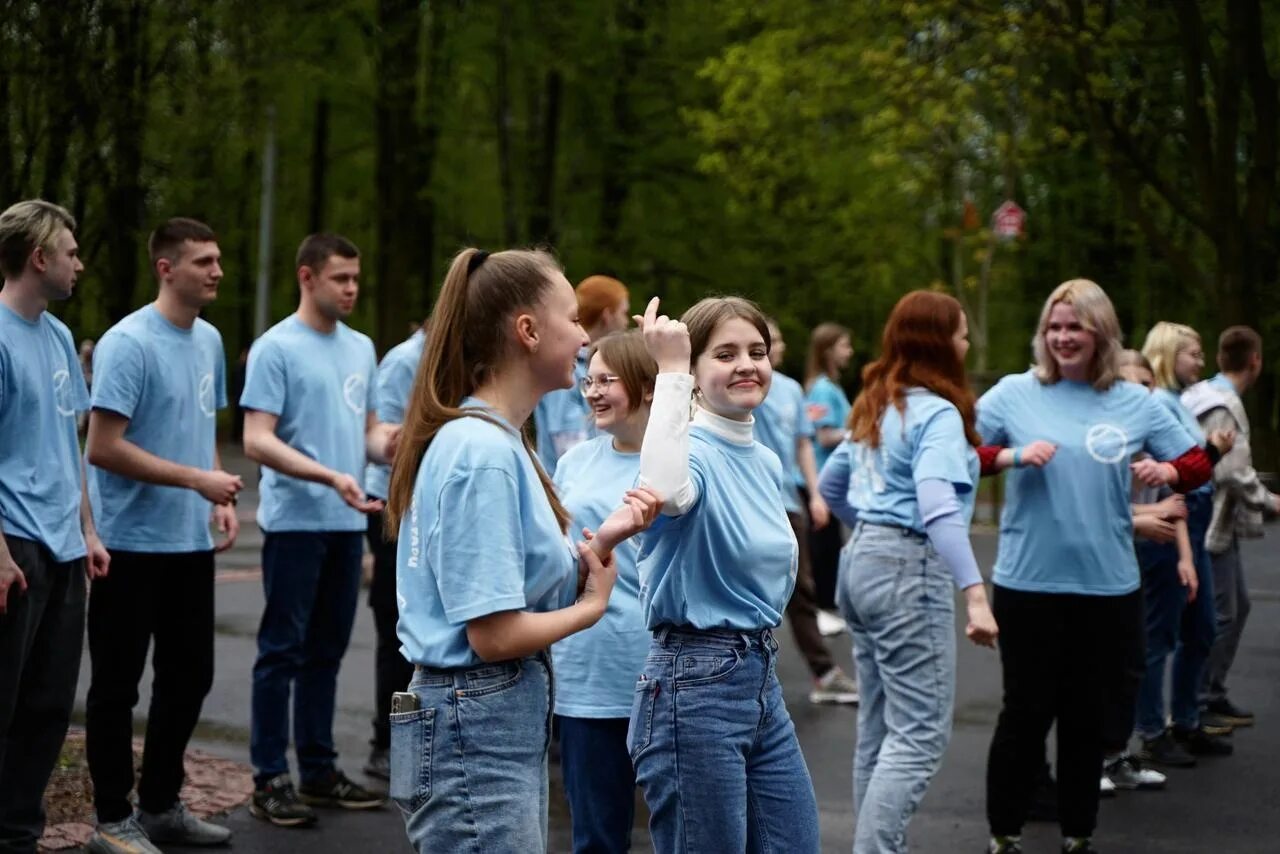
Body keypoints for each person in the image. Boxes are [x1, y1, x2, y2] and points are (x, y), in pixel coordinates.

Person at [383, 248, 659, 853]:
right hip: (475, 716)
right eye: (572, 318)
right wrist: (592, 606)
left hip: (485, 713)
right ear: (528, 332)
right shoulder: (481, 451)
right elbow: (493, 632)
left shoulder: (500, 442)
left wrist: (599, 547)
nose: (585, 337)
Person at [979, 279, 1213, 854]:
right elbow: (961, 455)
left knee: (1087, 718)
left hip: (1107, 586)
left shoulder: (1135, 401)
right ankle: (1003, 833)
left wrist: (1172, 475)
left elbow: (1198, 460)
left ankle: (1078, 833)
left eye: (1074, 327)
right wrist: (1008, 456)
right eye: (1053, 327)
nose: (1062, 337)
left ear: (1100, 333)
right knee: (1025, 713)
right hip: (1028, 583)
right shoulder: (1014, 393)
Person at [632, 295, 821, 853]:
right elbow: (664, 492)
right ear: (694, 374)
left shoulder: (762, 458)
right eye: (725, 353)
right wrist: (667, 371)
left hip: (757, 674)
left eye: (757, 351)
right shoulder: (688, 452)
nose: (746, 364)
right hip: (693, 685)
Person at [816, 291, 998, 853]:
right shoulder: (938, 414)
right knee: (918, 734)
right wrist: (975, 592)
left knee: (878, 725)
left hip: (860, 564)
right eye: (962, 334)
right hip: (904, 569)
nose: (967, 344)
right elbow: (938, 506)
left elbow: (830, 487)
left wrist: (872, 531)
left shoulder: (877, 401)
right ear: (943, 344)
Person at [82, 218, 242, 853]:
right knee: (117, 687)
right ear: (165, 268)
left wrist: (215, 500)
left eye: (219, 259)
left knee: (189, 677)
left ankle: (159, 806)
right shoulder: (128, 343)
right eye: (203, 260)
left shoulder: (209, 341)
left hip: (188, 543)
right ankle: (112, 820)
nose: (217, 271)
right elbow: (102, 448)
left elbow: (198, 433)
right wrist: (197, 481)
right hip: (128, 543)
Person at [240, 233, 398, 826]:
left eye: (356, 278)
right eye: (341, 279)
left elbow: (370, 434)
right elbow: (257, 438)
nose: (352, 288)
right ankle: (269, 778)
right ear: (308, 278)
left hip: (345, 519)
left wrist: (404, 441)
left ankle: (319, 770)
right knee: (282, 651)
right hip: (296, 522)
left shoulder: (360, 348)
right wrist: (330, 475)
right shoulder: (275, 347)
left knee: (327, 652)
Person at [0, 199, 109, 853]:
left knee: (47, 708)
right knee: (3, 705)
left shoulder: (62, 337)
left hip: (65, 546)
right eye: (71, 252)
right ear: (39, 257)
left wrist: (88, 532)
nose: (80, 264)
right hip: (15, 545)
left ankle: (17, 836)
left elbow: (70, 445)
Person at [551, 330, 656, 853]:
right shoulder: (574, 462)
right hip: (586, 670)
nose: (592, 392)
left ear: (649, 386)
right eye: (587, 380)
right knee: (596, 838)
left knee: (687, 831)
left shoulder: (679, 465)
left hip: (663, 671)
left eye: (607, 380)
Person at [1136, 325, 1234, 765]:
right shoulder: (1156, 403)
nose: (1200, 362)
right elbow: (1173, 467)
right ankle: (1153, 729)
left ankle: (1186, 718)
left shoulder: (1178, 403)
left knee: (1202, 628)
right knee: (1161, 630)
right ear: (1169, 355)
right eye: (1192, 354)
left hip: (1192, 522)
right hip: (1170, 522)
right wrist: (1211, 451)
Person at [1182, 326, 1280, 732]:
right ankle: (1199, 700)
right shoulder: (1223, 404)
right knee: (1222, 614)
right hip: (1211, 523)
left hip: (1215, 522)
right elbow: (1232, 471)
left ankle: (1211, 693)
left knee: (1236, 607)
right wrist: (1271, 501)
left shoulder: (1201, 395)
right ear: (1254, 360)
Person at [756, 318, 858, 705]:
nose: (778, 346)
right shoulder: (746, 382)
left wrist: (815, 494)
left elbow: (803, 445)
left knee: (801, 588)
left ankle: (824, 673)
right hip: (751, 498)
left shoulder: (791, 390)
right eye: (772, 340)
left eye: (777, 340)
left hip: (786, 499)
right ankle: (746, 673)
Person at [360, 324, 424, 780]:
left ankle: (415, 740)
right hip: (392, 509)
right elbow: (384, 439)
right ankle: (385, 744)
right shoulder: (405, 360)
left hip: (427, 508)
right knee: (395, 628)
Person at [533, 274, 630, 475]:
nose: (626, 321)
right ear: (607, 315)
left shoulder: (588, 365)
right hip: (571, 492)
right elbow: (567, 442)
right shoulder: (567, 368)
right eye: (623, 313)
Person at [804, 321, 854, 621]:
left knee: (831, 545)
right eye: (844, 346)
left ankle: (828, 606)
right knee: (824, 548)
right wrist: (858, 433)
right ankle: (823, 608)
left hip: (831, 478)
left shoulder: (831, 386)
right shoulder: (822, 389)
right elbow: (824, 436)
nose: (849, 352)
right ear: (827, 351)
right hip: (823, 478)